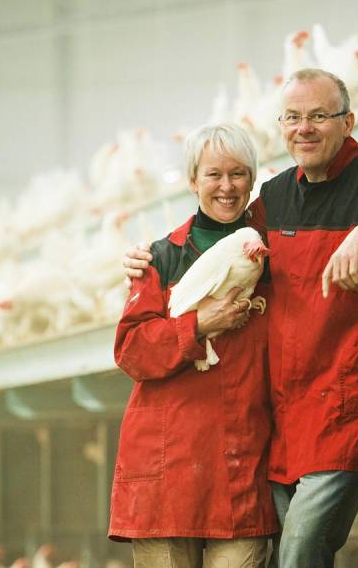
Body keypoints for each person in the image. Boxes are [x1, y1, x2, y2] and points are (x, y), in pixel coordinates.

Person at [124, 68, 358, 567]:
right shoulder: (276, 198)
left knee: (301, 548)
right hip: (283, 410)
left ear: (347, 122)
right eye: (292, 117)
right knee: (287, 548)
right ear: (280, 126)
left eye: (318, 117)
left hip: (346, 402)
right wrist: (146, 257)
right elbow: (220, 239)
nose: (303, 128)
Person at [108, 123, 278, 567]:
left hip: (241, 467)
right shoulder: (160, 258)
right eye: (213, 175)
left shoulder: (271, 256)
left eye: (239, 174)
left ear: (253, 179)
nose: (227, 187)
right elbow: (131, 350)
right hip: (169, 471)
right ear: (192, 181)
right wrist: (198, 324)